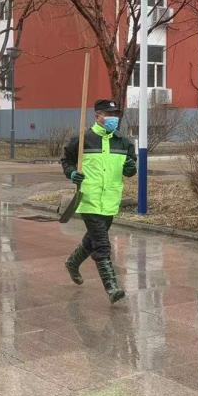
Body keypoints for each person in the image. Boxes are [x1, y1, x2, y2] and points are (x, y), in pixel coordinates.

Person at [61, 99, 138, 303]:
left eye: (115, 115)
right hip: (89, 198)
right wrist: (72, 173)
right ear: (97, 116)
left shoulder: (123, 142)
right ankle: (112, 287)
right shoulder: (83, 140)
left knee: (92, 239)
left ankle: (72, 263)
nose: (113, 118)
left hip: (111, 199)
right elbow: (66, 161)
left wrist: (131, 168)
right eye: (108, 114)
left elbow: (130, 168)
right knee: (102, 243)